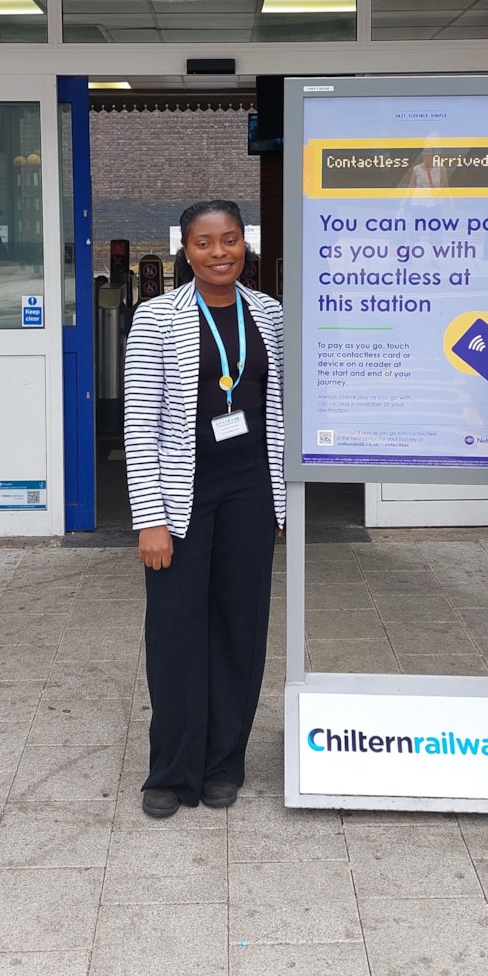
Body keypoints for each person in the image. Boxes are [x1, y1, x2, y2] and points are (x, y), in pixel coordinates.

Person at [124, 199, 285, 818]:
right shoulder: (157, 318)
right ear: (184, 251)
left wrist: (277, 499)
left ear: (246, 244)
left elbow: (278, 406)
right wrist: (150, 518)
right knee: (174, 630)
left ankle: (223, 763)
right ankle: (170, 769)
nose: (220, 252)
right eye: (204, 242)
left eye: (231, 240)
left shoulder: (267, 314)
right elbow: (139, 423)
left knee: (239, 628)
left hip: (248, 487)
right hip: (181, 494)